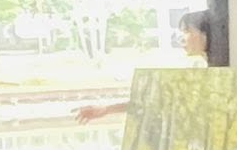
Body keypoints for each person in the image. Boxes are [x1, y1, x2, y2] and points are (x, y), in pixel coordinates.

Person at [76, 11, 211, 122]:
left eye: (187, 31)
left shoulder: (207, 71)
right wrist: (106, 110)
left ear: (204, 34)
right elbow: (156, 102)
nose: (182, 39)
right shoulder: (196, 67)